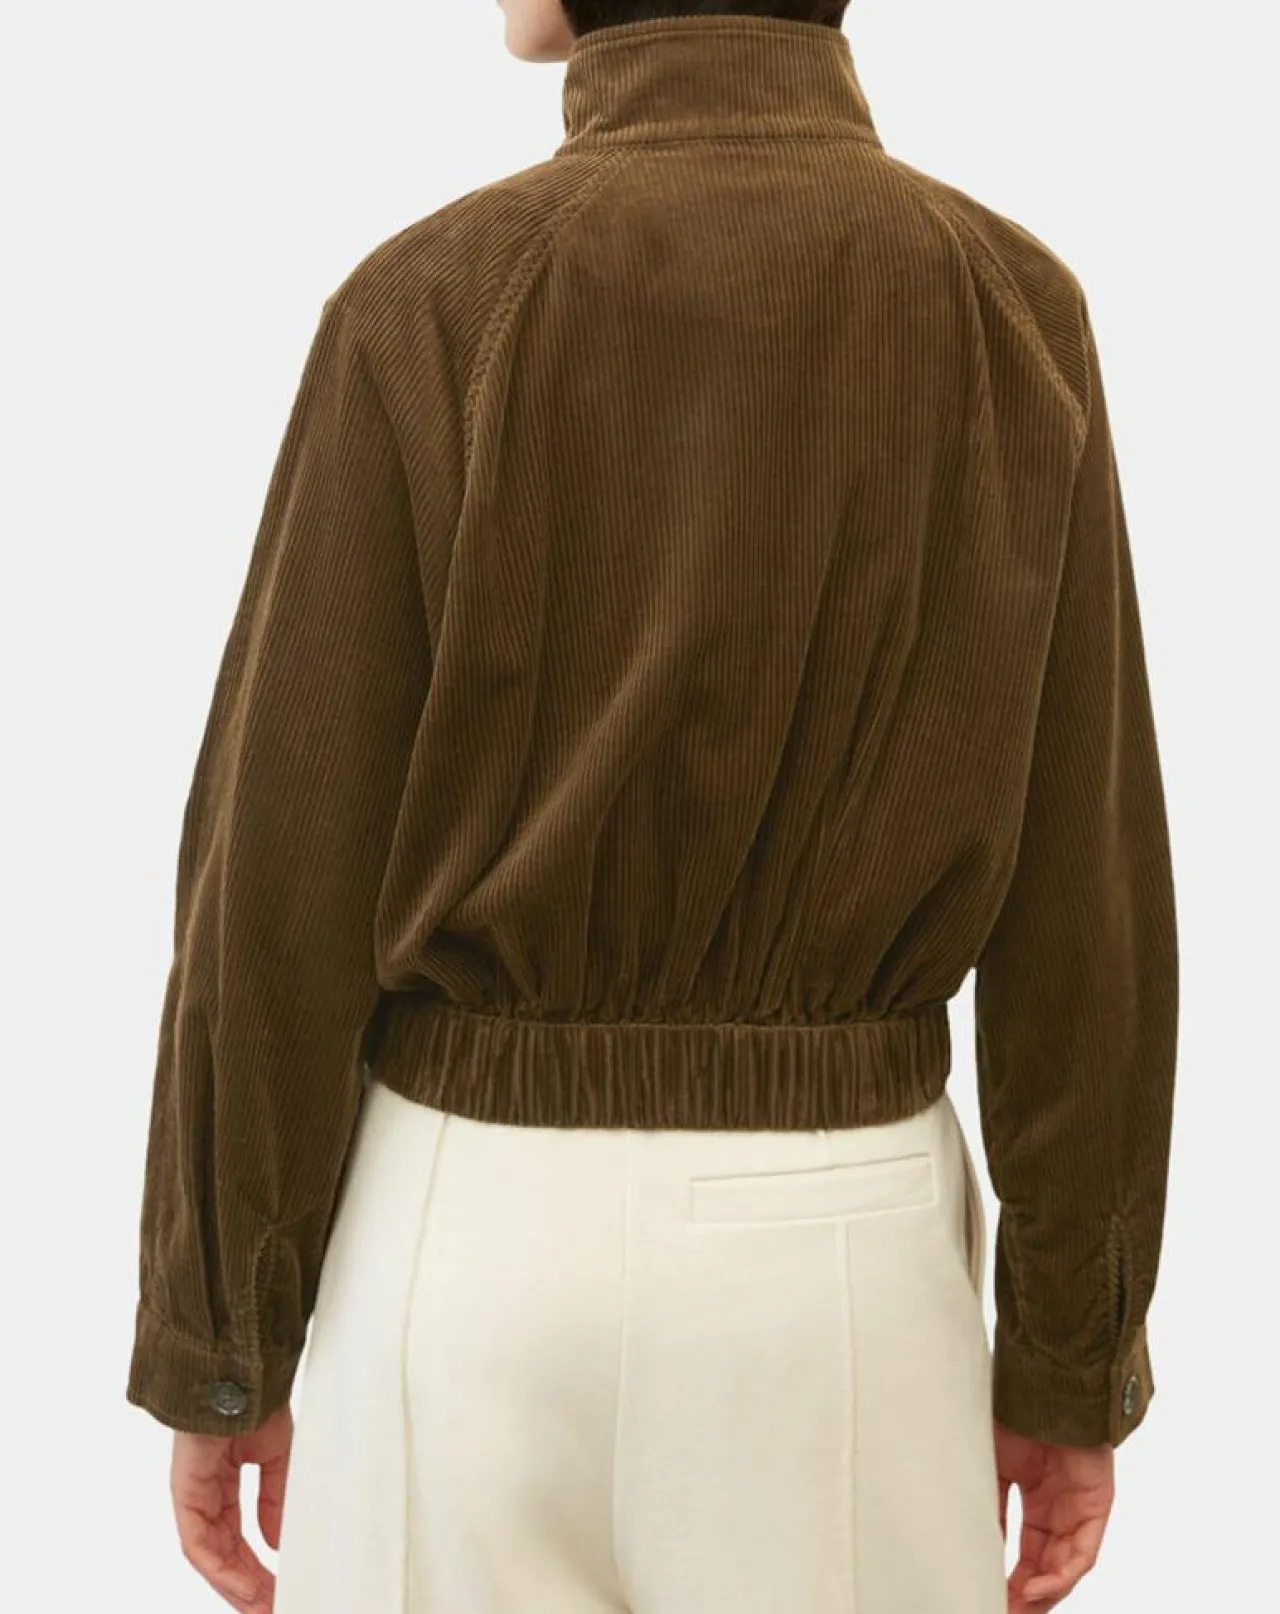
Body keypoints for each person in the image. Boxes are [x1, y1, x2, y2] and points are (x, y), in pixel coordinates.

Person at [124, 3, 1179, 1612]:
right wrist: (1066, 1354)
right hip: (845, 1266)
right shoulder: (1008, 309)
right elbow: (1084, 904)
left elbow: (277, 876)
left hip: (464, 1246)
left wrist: (224, 1334)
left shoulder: (427, 301)